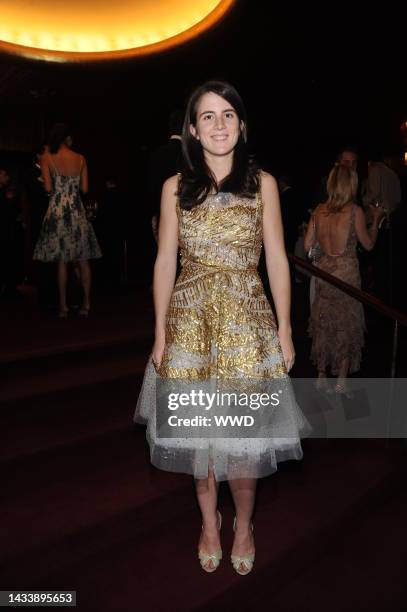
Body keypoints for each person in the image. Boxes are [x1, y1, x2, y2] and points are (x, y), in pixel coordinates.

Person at [134, 81, 310, 575]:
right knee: (200, 441)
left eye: (227, 114)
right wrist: (161, 334)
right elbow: (165, 260)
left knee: (244, 444)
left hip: (248, 326)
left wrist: (286, 329)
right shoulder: (175, 187)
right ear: (191, 129)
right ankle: (210, 522)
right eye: (207, 116)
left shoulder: (263, 184)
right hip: (189, 325)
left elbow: (276, 259)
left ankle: (245, 524)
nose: (218, 125)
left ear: (242, 125)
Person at [304, 165, 385, 392]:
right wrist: (376, 220)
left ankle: (321, 375)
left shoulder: (319, 211)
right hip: (347, 277)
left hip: (324, 275)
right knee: (346, 326)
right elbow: (368, 244)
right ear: (351, 186)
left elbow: (308, 246)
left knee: (323, 323)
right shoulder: (354, 211)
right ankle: (341, 380)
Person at [33, 124, 102, 317]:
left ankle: (63, 306)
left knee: (62, 261)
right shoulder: (80, 158)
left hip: (57, 210)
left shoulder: (47, 158)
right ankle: (86, 304)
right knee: (83, 259)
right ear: (67, 139)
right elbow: (85, 189)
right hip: (76, 209)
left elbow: (48, 188)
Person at [148, 110, 184, 242]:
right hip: (183, 220)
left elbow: (150, 188)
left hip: (159, 216)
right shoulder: (189, 155)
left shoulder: (156, 154)